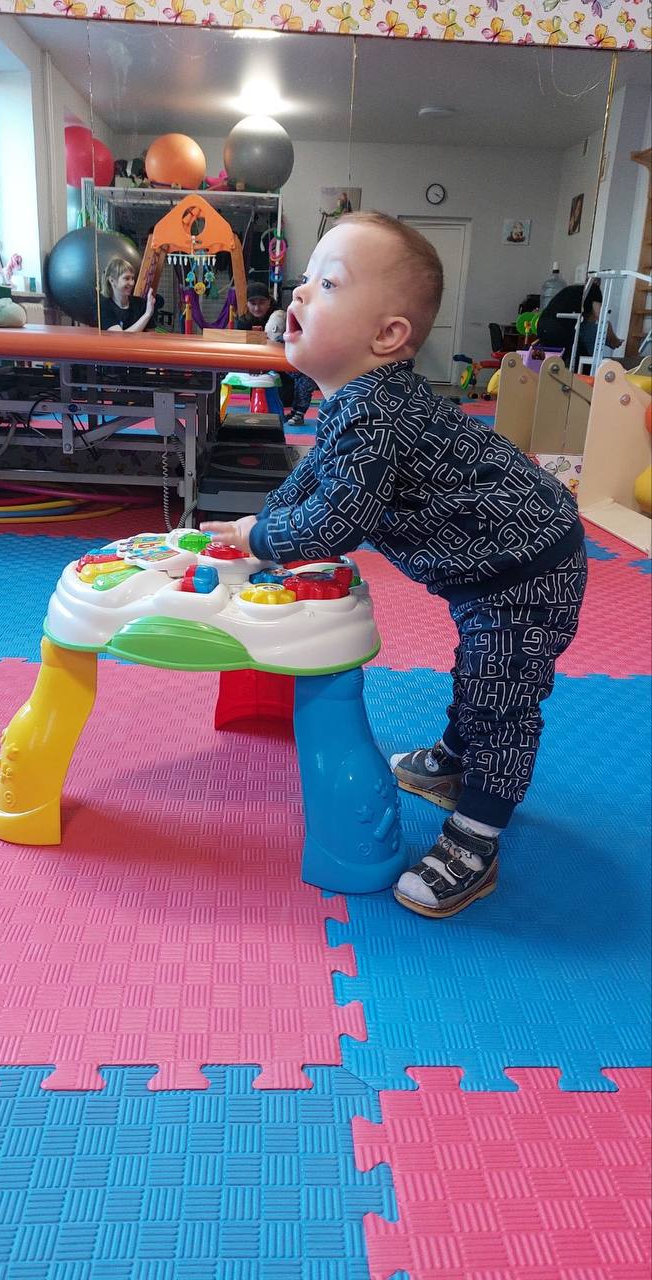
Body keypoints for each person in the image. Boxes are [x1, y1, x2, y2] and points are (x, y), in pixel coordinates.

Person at [201, 211, 588, 920]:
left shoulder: (375, 414)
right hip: (488, 562)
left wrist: (262, 539)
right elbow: (311, 479)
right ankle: (453, 757)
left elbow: (335, 524)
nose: (300, 292)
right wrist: (253, 529)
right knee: (478, 667)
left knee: (499, 694)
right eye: (305, 277)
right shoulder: (355, 403)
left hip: (529, 565)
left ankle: (476, 837)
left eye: (329, 283)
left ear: (386, 336)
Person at [536, 278, 623, 368]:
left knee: (557, 360)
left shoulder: (575, 292)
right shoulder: (594, 289)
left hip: (542, 326)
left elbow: (589, 320)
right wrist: (614, 340)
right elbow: (602, 319)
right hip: (557, 328)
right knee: (580, 358)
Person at [99, 257, 156, 332]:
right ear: (112, 280)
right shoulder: (104, 306)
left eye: (132, 278)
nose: (132, 283)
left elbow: (151, 334)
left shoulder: (141, 304)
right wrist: (147, 314)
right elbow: (120, 337)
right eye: (126, 278)